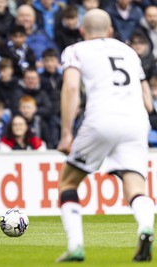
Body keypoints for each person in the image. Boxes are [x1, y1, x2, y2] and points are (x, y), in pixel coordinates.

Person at [56, 9, 154, 262]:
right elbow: (148, 102)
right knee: (135, 185)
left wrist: (66, 133)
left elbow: (71, 88)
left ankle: (75, 245)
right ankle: (145, 226)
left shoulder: (75, 50)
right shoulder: (129, 51)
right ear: (111, 32)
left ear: (82, 31)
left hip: (102, 118)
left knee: (68, 183)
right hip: (136, 121)